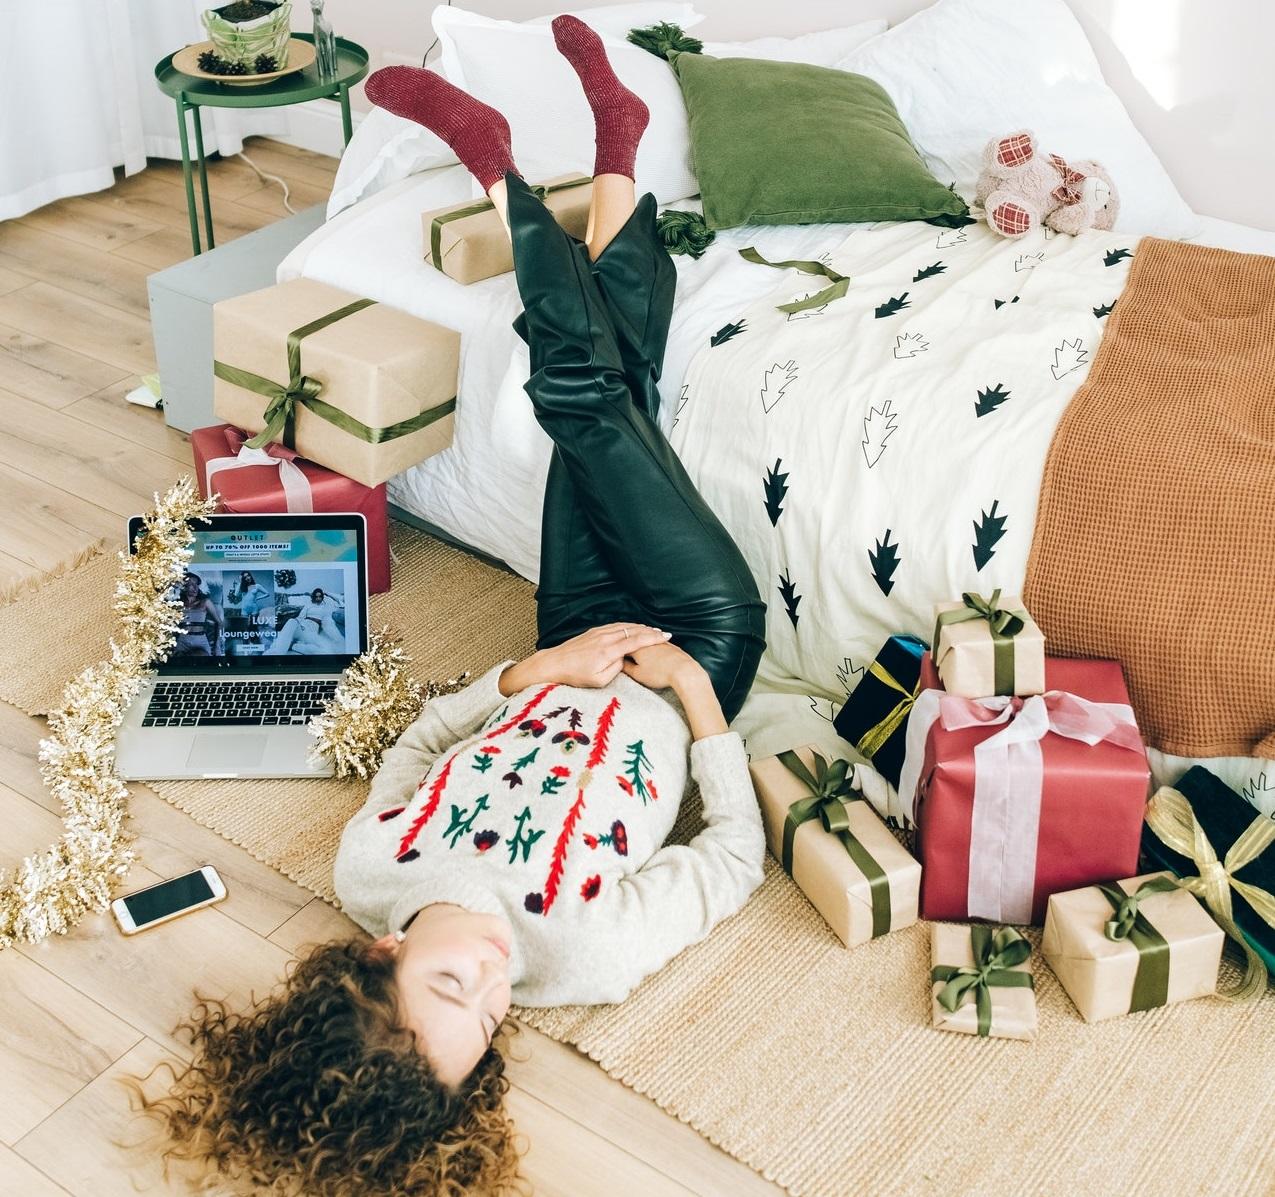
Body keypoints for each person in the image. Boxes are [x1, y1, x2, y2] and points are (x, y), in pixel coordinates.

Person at [141, 18, 767, 1196]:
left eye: (448, 986)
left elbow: (431, 736)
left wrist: (541, 674)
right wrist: (689, 696)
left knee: (612, 380)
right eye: (483, 1022)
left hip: (570, 630)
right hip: (698, 639)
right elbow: (732, 862)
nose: (490, 981)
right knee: (581, 392)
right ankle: (504, 163)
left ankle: (609, 151)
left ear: (378, 956)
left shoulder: (371, 864)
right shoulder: (579, 955)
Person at [174, 572, 222, 657]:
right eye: (192, 584)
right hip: (183, 639)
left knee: (201, 657)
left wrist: (217, 646)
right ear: (184, 587)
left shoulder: (205, 602)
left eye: (197, 584)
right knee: (178, 662)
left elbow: (219, 622)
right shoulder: (178, 604)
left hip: (200, 640)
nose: (195, 588)